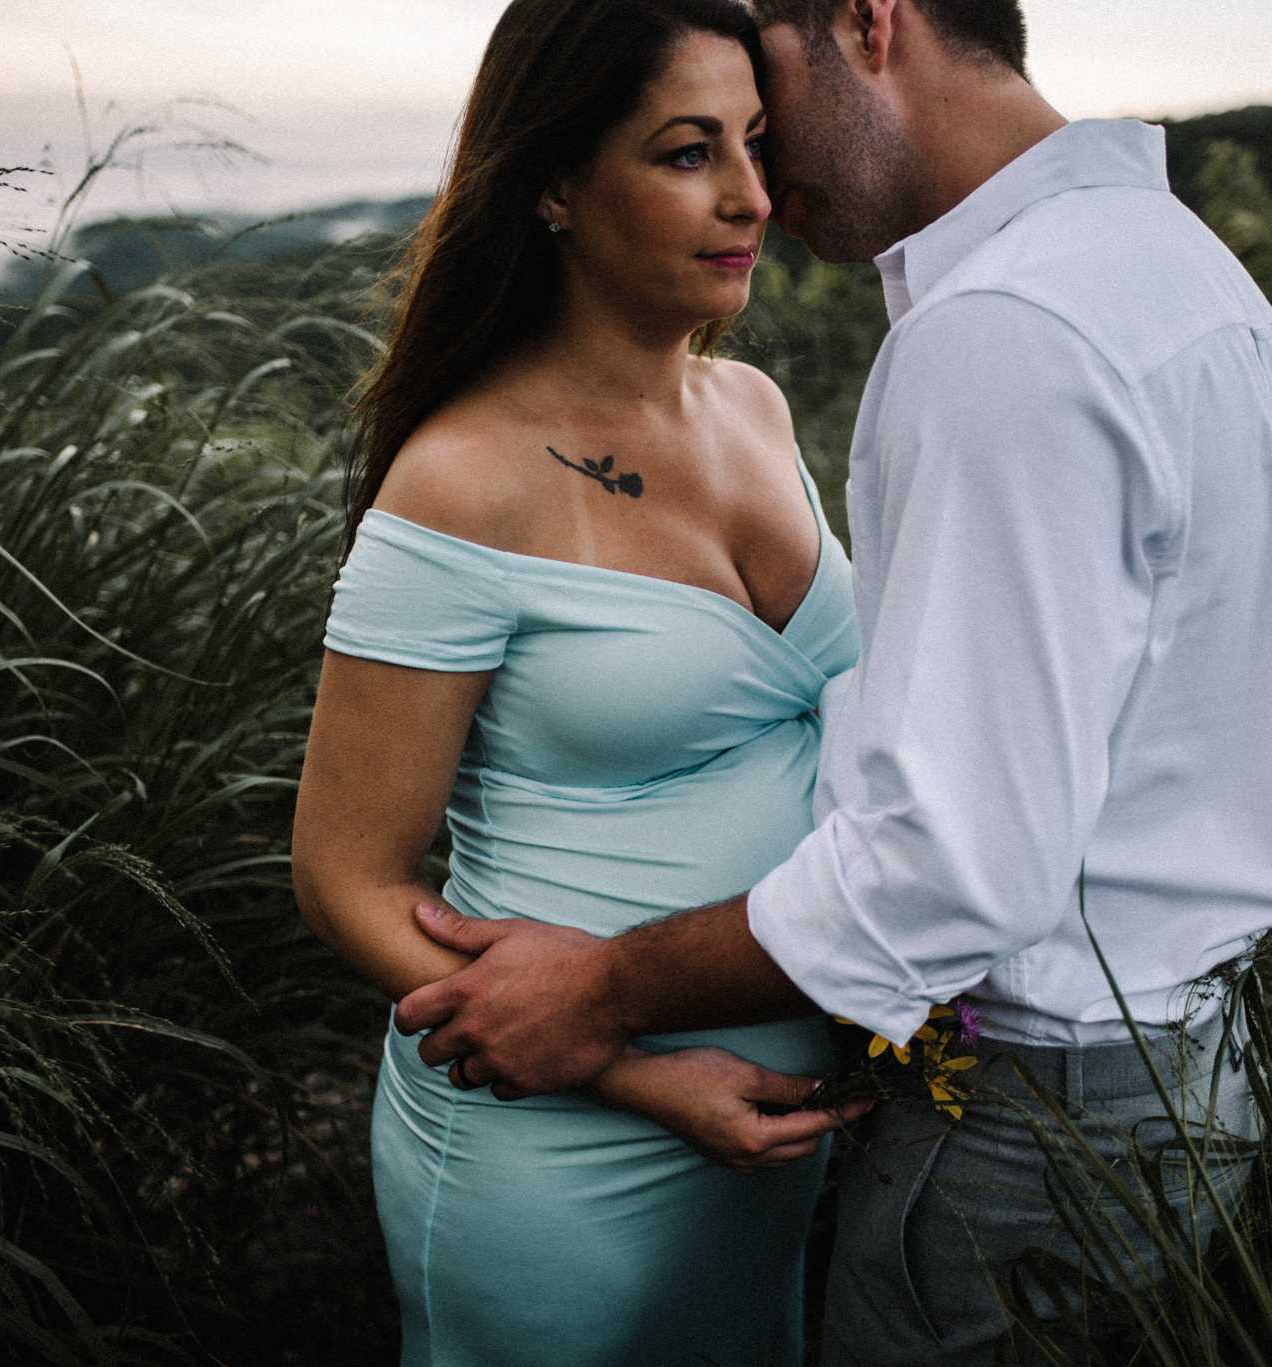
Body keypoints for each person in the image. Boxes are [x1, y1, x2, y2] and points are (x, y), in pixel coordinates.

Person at [395, 0, 1272, 1361]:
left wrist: (599, 998)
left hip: (1031, 1130)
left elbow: (950, 865)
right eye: (700, 145)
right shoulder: (1182, 278)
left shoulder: (1003, 333)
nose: (763, 188)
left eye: (765, 110)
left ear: (867, 21)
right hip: (1180, 1083)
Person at [290, 2, 873, 1363]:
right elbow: (343, 880)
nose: (750, 196)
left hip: (773, 1125)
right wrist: (643, 1079)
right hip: (564, 1144)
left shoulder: (756, 410)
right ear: (553, 183)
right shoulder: (465, 480)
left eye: (755, 143)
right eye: (686, 154)